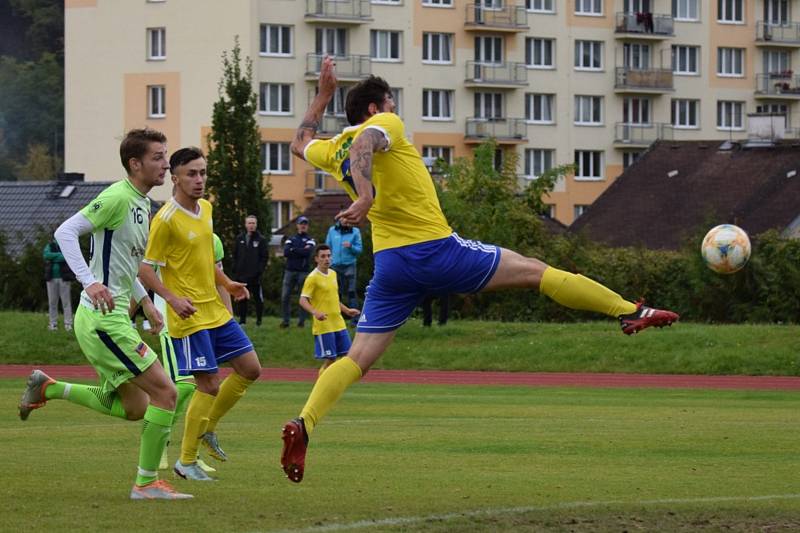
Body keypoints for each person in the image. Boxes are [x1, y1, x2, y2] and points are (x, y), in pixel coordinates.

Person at [279, 56, 680, 483]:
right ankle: (628, 310)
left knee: (357, 358)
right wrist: (365, 196)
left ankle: (303, 424)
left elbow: (299, 142)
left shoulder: (332, 147)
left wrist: (322, 94)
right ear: (379, 108)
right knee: (534, 270)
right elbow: (364, 146)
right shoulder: (385, 127)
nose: (396, 112)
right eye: (392, 104)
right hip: (435, 250)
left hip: (392, 266)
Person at [18, 128, 192, 500]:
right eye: (158, 157)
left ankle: (51, 387)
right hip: (103, 321)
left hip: (109, 318)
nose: (166, 164)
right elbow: (66, 232)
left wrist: (145, 301)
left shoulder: (142, 203)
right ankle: (146, 483)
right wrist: (89, 282)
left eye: (165, 156)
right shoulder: (116, 196)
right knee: (167, 393)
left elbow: (126, 264)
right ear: (136, 163)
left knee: (135, 407)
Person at [139, 146, 262, 482]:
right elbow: (145, 271)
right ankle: (186, 460)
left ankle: (207, 428)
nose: (199, 180)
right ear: (175, 178)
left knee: (251, 368)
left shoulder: (206, 209)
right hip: (188, 316)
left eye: (203, 172)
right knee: (207, 385)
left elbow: (206, 259)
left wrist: (229, 283)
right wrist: (171, 298)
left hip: (214, 311)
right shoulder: (164, 220)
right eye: (191, 173)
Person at [154, 231, 230, 474]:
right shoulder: (168, 234)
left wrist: (228, 317)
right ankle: (160, 445)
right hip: (173, 322)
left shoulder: (214, 240)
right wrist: (142, 308)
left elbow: (220, 280)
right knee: (184, 387)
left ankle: (191, 454)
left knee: (206, 388)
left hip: (207, 322)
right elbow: (144, 273)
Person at [299, 244, 360, 374]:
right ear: (316, 259)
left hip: (338, 323)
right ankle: (321, 383)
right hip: (324, 325)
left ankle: (333, 384)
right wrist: (315, 312)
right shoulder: (312, 278)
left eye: (328, 256)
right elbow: (303, 300)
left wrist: (347, 311)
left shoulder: (333, 274)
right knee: (331, 358)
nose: (327, 259)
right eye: (323, 256)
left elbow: (333, 298)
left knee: (347, 356)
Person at [325, 220, 362, 326]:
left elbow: (359, 250)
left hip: (349, 265)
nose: (345, 221)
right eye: (343, 218)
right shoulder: (332, 230)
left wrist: (351, 246)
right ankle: (336, 318)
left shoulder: (355, 231)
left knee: (351, 292)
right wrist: (328, 261)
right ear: (340, 220)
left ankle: (354, 320)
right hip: (335, 266)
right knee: (336, 293)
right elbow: (327, 247)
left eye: (347, 218)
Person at [280, 216, 315, 328]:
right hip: (289, 271)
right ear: (297, 225)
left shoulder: (311, 240)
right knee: (285, 297)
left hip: (303, 272)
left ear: (307, 226)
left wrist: (293, 250)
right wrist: (300, 250)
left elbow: (308, 252)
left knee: (303, 298)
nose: (303, 226)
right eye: (301, 223)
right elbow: (286, 252)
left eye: (305, 224)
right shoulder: (291, 238)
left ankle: (301, 322)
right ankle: (286, 321)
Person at [232, 215, 268, 326]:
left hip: (255, 276)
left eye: (253, 223)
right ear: (245, 224)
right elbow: (235, 255)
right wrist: (236, 270)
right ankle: (242, 320)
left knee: (258, 298)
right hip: (242, 276)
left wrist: (259, 271)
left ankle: (259, 320)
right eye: (249, 223)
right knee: (242, 298)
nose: (251, 225)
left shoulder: (261, 239)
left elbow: (264, 257)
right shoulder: (240, 239)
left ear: (256, 225)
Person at [43, 239, 75, 331]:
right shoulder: (50, 245)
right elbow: (46, 255)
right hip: (51, 278)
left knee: (66, 302)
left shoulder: (66, 245)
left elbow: (67, 257)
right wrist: (59, 256)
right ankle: (53, 324)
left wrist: (53, 257)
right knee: (52, 302)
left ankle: (68, 324)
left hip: (64, 278)